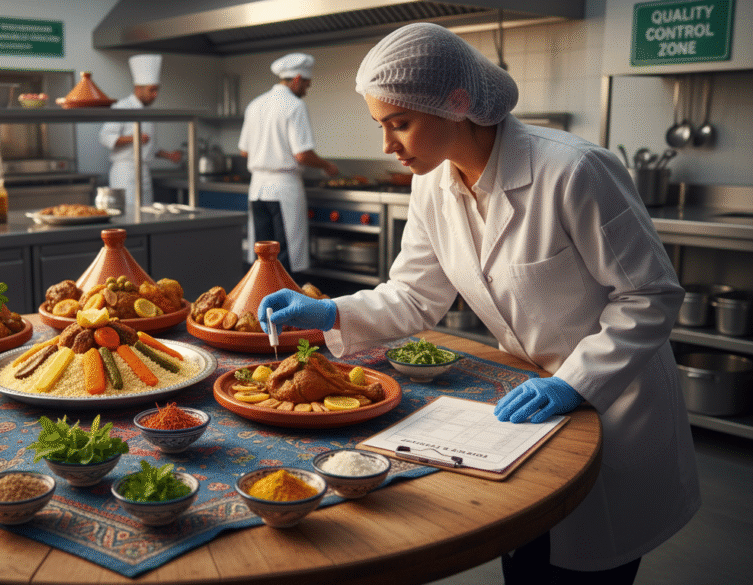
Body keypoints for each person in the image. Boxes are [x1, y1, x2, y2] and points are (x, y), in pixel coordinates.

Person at [259, 23, 700, 584]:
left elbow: (651, 296)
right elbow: (417, 295)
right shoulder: (431, 183)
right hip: (520, 407)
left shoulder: (573, 170)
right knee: (524, 554)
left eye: (400, 124)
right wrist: (332, 313)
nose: (387, 146)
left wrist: (574, 383)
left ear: (456, 103)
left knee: (585, 567)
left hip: (613, 403)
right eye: (381, 125)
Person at [238, 52, 339, 273]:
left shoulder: (255, 104)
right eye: (306, 84)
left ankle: (259, 304)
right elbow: (302, 155)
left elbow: (244, 151)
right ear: (297, 79)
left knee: (262, 259)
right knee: (287, 257)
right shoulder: (294, 106)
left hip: (257, 190)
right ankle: (288, 306)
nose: (306, 90)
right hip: (283, 189)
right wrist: (326, 165)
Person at [98, 54, 182, 212]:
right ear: (138, 88)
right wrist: (134, 138)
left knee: (145, 213)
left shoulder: (147, 112)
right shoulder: (122, 107)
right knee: (128, 215)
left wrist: (169, 156)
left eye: (157, 90)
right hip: (125, 173)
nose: (155, 95)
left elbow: (150, 146)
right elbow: (105, 137)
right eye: (152, 90)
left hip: (144, 172)